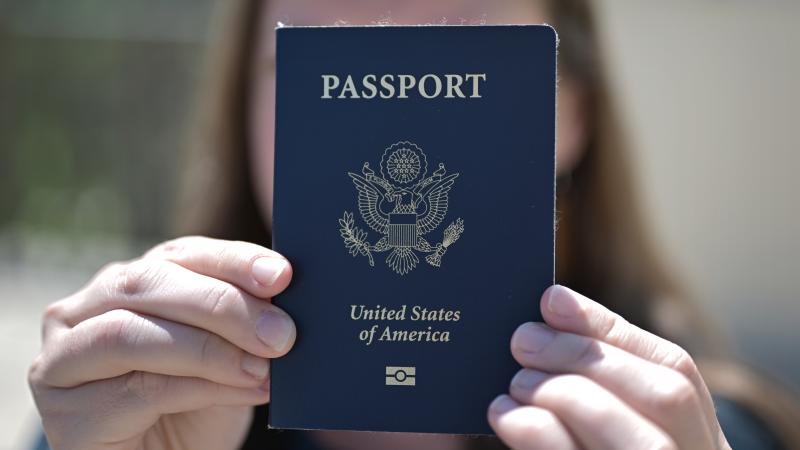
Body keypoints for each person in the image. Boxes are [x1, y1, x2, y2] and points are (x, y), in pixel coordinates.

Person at [28, 0, 800, 449]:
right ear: (242, 106)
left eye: (459, 59)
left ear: (573, 112)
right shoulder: (124, 412)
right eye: (325, 74)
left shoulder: (698, 432)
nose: (388, 113)